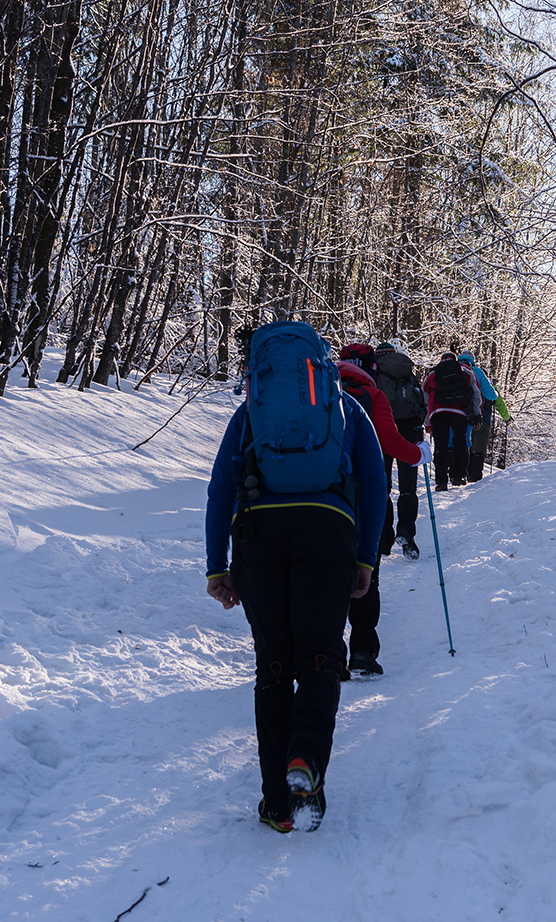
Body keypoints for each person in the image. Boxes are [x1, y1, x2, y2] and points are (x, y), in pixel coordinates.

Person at [205, 322, 386, 834]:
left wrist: (217, 565)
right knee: (321, 656)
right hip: (328, 531)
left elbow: (221, 488)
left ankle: (277, 804)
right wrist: (365, 559)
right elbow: (374, 483)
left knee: (274, 664)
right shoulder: (345, 409)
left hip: (259, 534)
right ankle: (305, 758)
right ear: (320, 366)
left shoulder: (251, 412)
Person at [337, 343, 432, 677]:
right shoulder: (372, 396)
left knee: (328, 574)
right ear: (372, 368)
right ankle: (362, 652)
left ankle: (329, 653)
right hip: (366, 496)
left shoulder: (318, 392)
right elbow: (389, 441)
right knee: (367, 573)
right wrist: (419, 454)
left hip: (325, 498)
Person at [373, 341, 428, 558]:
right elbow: (421, 402)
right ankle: (406, 532)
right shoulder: (408, 371)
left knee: (383, 487)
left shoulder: (375, 372)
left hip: (382, 431)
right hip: (409, 431)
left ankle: (384, 539)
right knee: (407, 486)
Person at [422, 351, 483, 490]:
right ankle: (458, 476)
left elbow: (424, 396)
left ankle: (441, 481)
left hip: (438, 412)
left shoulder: (432, 373)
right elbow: (476, 393)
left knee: (440, 445)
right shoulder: (465, 371)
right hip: (460, 412)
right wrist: (476, 414)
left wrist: (427, 422)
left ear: (441, 360)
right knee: (460, 441)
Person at [455, 350, 512, 482]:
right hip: (484, 419)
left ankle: (463, 472)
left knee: (467, 444)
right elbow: (499, 403)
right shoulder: (489, 384)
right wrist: (507, 418)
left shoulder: (458, 374)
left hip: (464, 416)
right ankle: (476, 475)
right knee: (479, 447)